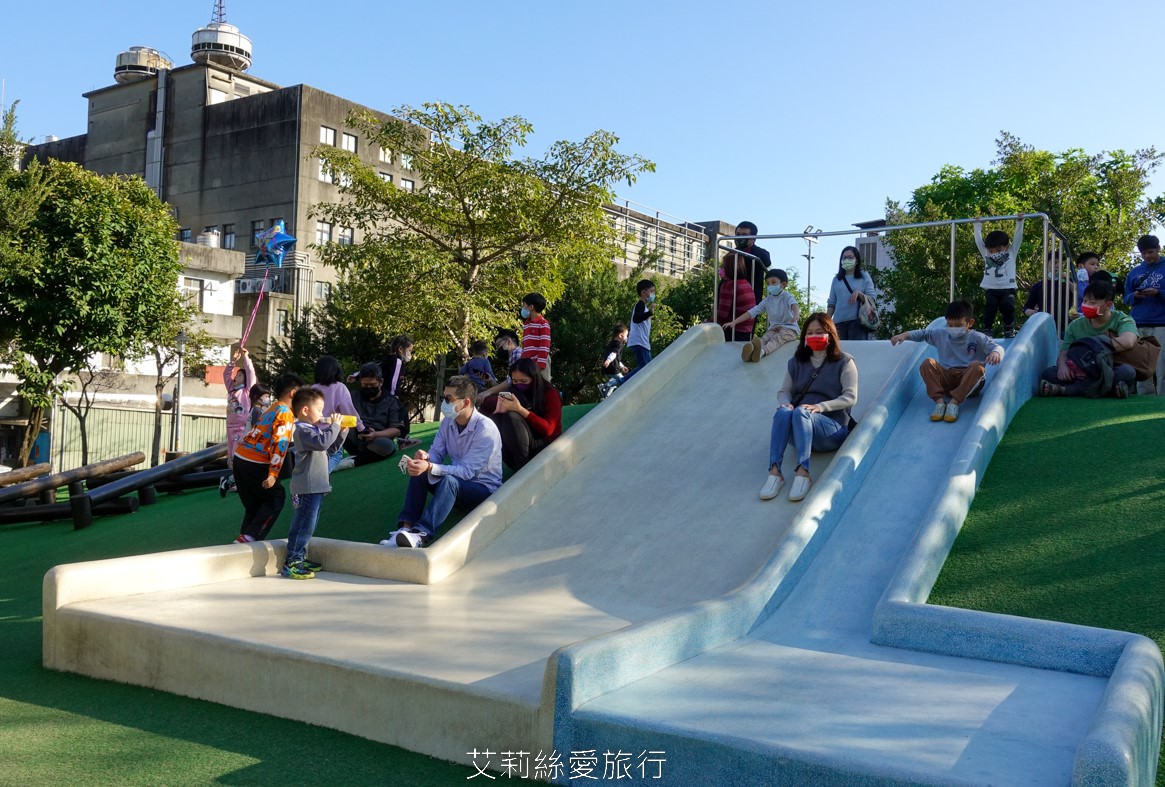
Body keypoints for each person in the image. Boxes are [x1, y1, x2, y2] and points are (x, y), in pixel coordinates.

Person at [381, 375, 503, 549]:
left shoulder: (485, 428)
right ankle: (405, 529)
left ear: (466, 402)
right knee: (422, 472)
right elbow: (436, 452)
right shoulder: (448, 422)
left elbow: (467, 472)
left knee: (448, 480)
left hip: (483, 489)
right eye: (442, 398)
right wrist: (425, 458)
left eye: (448, 399)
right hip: (456, 484)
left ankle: (421, 535)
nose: (444, 403)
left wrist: (430, 466)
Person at [761, 313, 857, 503]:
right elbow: (784, 391)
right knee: (783, 412)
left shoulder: (844, 361)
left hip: (831, 429)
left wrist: (820, 407)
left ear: (830, 334)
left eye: (819, 332)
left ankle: (803, 472)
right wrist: (786, 402)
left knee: (802, 412)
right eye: (810, 332)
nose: (814, 336)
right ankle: (775, 472)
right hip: (799, 427)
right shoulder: (796, 363)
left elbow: (851, 397)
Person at [890, 300, 1004, 423]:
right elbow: (923, 334)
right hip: (948, 378)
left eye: (958, 325)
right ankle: (940, 402)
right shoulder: (941, 334)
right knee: (927, 363)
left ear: (970, 323)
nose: (953, 328)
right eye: (950, 325)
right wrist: (905, 335)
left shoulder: (978, 337)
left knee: (977, 367)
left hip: (969, 381)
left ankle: (954, 403)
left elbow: (997, 347)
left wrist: (995, 353)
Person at [232, 372, 303, 543]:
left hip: (240, 457)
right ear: (293, 393)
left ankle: (244, 538)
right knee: (275, 497)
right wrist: (273, 474)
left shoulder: (273, 407)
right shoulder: (285, 413)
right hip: (256, 461)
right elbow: (280, 444)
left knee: (255, 504)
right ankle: (250, 536)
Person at [281, 388, 344, 580]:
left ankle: (300, 556)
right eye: (319, 409)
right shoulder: (302, 431)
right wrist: (334, 426)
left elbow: (331, 448)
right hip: (306, 488)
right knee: (303, 524)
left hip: (315, 487)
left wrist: (341, 432)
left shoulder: (314, 431)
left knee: (309, 524)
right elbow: (322, 443)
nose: (323, 414)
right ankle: (292, 561)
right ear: (305, 410)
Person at [1039, 279, 1139, 398]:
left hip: (1108, 369)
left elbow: (1128, 341)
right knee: (1049, 374)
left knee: (1127, 371)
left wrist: (1095, 346)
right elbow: (1064, 352)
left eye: (1092, 302)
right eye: (1085, 301)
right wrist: (1062, 367)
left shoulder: (1122, 319)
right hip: (1081, 370)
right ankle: (1109, 389)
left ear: (1108, 305)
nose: (1086, 305)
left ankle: (1063, 390)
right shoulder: (1075, 325)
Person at [489, 357, 562, 471]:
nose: (519, 385)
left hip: (545, 443)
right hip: (520, 446)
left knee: (512, 416)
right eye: (515, 381)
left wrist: (520, 410)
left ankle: (522, 466)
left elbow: (549, 430)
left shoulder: (550, 393)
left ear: (534, 378)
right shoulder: (514, 391)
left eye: (524, 381)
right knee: (497, 418)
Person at [343, 362, 407, 467]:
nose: (368, 388)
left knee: (388, 446)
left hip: (377, 440)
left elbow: (397, 430)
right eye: (365, 385)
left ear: (381, 382)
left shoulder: (391, 402)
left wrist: (375, 434)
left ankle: (354, 461)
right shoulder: (353, 396)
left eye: (372, 385)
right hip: (354, 438)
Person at [730, 268, 800, 363]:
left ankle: (761, 352)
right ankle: (751, 351)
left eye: (773, 282)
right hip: (774, 328)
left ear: (783, 284)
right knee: (765, 338)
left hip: (790, 329)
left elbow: (794, 305)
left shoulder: (787, 296)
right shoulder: (768, 300)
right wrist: (735, 322)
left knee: (776, 339)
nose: (770, 286)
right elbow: (752, 312)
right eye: (768, 283)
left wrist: (796, 314)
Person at [1124, 235, 1165, 395]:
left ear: (1158, 249)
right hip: (1138, 322)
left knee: (1162, 366)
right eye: (1144, 253)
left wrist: (1158, 293)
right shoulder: (1135, 272)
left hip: (1162, 323)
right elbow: (1126, 297)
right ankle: (1145, 400)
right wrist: (1134, 296)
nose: (1147, 256)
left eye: (1151, 252)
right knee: (1142, 366)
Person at [973, 215, 1024, 338]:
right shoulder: (986, 253)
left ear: (1006, 246)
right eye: (992, 250)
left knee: (1008, 306)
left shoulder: (1011, 252)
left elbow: (1018, 238)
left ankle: (1009, 328)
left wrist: (1019, 222)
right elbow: (978, 241)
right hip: (991, 288)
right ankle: (987, 329)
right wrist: (977, 225)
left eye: (998, 250)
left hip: (1008, 288)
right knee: (989, 308)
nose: (994, 253)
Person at [311, 355, 362, 472]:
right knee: (334, 456)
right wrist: (361, 427)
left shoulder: (312, 389)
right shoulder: (340, 387)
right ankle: (321, 477)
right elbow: (348, 410)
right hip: (333, 432)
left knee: (316, 459)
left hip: (314, 432)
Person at [826, 246, 877, 341]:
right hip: (838, 323)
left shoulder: (864, 276)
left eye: (850, 257)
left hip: (858, 322)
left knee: (857, 349)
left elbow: (872, 298)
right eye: (844, 257)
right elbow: (832, 303)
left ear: (856, 260)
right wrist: (825, 322)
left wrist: (859, 293)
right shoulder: (836, 279)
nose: (847, 260)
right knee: (839, 350)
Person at [222, 346, 256, 484]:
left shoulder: (247, 391)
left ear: (246, 379)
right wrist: (233, 361)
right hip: (230, 427)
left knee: (238, 453)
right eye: (236, 375)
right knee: (231, 454)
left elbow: (251, 372)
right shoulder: (231, 390)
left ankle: (239, 481)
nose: (236, 377)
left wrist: (245, 357)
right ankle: (234, 480)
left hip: (242, 427)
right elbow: (226, 375)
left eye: (240, 375)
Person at [716, 254, 757, 342]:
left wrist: (708, 322)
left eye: (723, 266)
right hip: (747, 330)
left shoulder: (729, 285)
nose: (720, 269)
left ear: (729, 268)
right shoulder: (746, 283)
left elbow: (722, 314)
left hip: (734, 330)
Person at [734, 220, 772, 297]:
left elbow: (767, 261)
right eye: (738, 234)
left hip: (752, 297)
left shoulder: (760, 253)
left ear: (753, 238)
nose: (740, 238)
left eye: (744, 235)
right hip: (732, 296)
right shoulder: (731, 253)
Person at [627, 279, 656, 378]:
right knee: (645, 368)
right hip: (639, 342)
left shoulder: (644, 307)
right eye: (651, 291)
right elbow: (636, 319)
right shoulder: (640, 305)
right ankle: (620, 381)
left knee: (648, 367)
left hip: (643, 342)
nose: (653, 294)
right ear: (643, 292)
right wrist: (649, 313)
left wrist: (648, 313)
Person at [520, 292, 552, 381]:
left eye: (524, 306)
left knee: (541, 386)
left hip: (540, 364)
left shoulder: (543, 324)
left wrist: (539, 365)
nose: (523, 308)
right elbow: (525, 347)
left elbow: (544, 346)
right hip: (528, 364)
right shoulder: (526, 324)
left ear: (531, 307)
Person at [376, 334, 414, 399]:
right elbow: (393, 383)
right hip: (388, 398)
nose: (410, 354)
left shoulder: (388, 359)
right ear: (400, 349)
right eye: (409, 351)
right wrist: (394, 398)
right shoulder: (397, 362)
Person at [599, 322, 629, 397]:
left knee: (614, 383)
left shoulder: (611, 343)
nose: (627, 338)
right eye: (626, 335)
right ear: (621, 336)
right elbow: (613, 354)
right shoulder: (619, 344)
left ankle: (606, 396)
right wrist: (608, 360)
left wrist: (622, 366)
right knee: (622, 380)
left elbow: (616, 358)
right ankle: (605, 386)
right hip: (613, 368)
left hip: (607, 368)